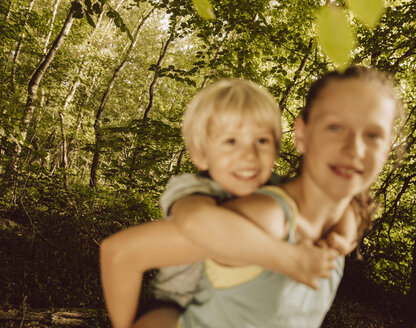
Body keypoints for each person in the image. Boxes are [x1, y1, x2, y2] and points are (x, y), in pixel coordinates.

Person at [100, 78, 357, 328]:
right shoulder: (196, 188)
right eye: (231, 141)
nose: (248, 154)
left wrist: (342, 239)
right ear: (200, 154)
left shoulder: (277, 191)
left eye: (262, 141)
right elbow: (195, 221)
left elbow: (343, 204)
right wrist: (287, 258)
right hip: (177, 303)